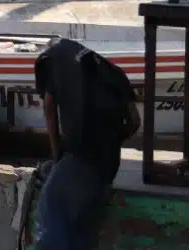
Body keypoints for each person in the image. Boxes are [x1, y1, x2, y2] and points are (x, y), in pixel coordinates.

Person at [34, 38, 139, 250]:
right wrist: (110, 142)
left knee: (52, 215)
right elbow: (135, 123)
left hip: (79, 156)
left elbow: (50, 110)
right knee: (83, 229)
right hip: (107, 165)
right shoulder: (111, 72)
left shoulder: (54, 61)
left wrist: (57, 157)